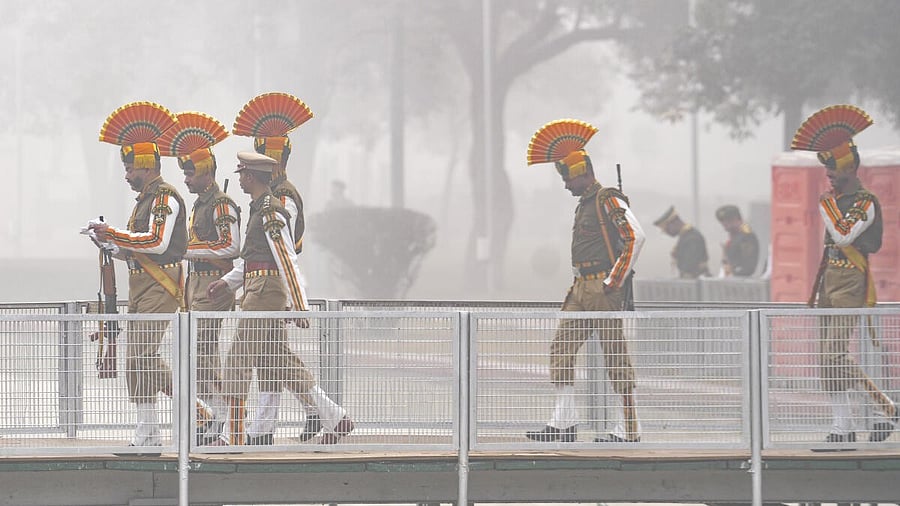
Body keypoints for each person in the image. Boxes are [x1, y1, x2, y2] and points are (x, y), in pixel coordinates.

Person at [207, 152, 353, 445]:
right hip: (258, 287)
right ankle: (336, 418)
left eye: (241, 174)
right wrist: (228, 282)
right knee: (277, 359)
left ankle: (233, 433)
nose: (239, 180)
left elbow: (286, 259)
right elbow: (253, 259)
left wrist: (300, 305)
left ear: (250, 177)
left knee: (239, 359)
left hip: (264, 292)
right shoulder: (260, 209)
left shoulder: (270, 211)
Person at [524, 119, 645, 443]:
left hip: (603, 289)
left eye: (567, 178)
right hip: (580, 287)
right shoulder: (585, 204)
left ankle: (628, 429)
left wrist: (613, 281)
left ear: (581, 173)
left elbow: (636, 236)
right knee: (561, 348)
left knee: (615, 356)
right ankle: (564, 423)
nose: (565, 185)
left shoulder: (607, 198)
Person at [791, 104, 896, 446]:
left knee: (835, 353)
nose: (829, 176)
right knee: (826, 358)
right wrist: (828, 204)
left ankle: (888, 407)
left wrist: (825, 206)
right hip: (828, 279)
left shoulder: (864, 201)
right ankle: (842, 424)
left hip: (852, 277)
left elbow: (843, 235)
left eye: (833, 169)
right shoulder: (835, 199)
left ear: (849, 166)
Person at [88, 102, 186, 448]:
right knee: (136, 359)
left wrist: (112, 233)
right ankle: (148, 431)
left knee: (141, 355)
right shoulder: (144, 199)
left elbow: (156, 243)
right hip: (142, 285)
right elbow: (136, 249)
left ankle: (195, 408)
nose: (127, 175)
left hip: (162, 286)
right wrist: (108, 244)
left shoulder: (164, 198)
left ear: (145, 165)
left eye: (130, 168)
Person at [233, 92, 322, 441]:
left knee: (265, 355)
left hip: (275, 284)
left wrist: (294, 299)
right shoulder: (269, 197)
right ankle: (271, 425)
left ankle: (315, 413)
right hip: (265, 281)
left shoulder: (281, 198)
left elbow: (286, 251)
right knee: (271, 357)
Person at [157, 111, 239, 446]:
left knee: (203, 356)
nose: (186, 180)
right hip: (195, 286)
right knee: (195, 357)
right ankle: (214, 417)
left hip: (213, 286)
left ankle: (225, 419)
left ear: (206, 172)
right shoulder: (199, 205)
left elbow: (230, 245)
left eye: (190, 173)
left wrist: (185, 250)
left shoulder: (221, 204)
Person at [653, 206, 711, 278]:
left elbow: (689, 265)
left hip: (697, 282)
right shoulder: (685, 236)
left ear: (674, 223)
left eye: (667, 228)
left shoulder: (692, 238)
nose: (667, 232)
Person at [715, 204, 759, 277]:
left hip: (741, 280)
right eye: (722, 222)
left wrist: (733, 272)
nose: (724, 224)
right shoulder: (735, 236)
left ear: (736, 219)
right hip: (732, 278)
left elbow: (748, 266)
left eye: (728, 221)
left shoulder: (747, 236)